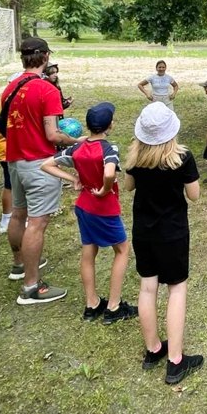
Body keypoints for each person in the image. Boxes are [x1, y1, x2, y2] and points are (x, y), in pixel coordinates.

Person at [124, 102, 204, 385]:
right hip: (172, 233)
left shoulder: (135, 157)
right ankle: (176, 360)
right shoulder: (182, 158)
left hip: (143, 231)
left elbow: (128, 186)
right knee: (176, 289)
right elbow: (194, 195)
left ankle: (153, 348)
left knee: (147, 287)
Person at [3, 38, 83, 305]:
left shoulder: (10, 88)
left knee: (18, 214)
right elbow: (53, 134)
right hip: (40, 165)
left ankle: (19, 265)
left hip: (15, 161)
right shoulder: (46, 89)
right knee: (37, 224)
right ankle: (31, 287)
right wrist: (76, 142)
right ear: (46, 57)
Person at [41, 102, 137, 324]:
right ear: (109, 125)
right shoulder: (108, 149)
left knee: (88, 252)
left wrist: (74, 178)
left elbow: (46, 165)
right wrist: (104, 189)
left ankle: (91, 304)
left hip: (84, 206)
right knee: (122, 250)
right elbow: (110, 172)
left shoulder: (77, 149)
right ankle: (113, 307)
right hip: (103, 207)